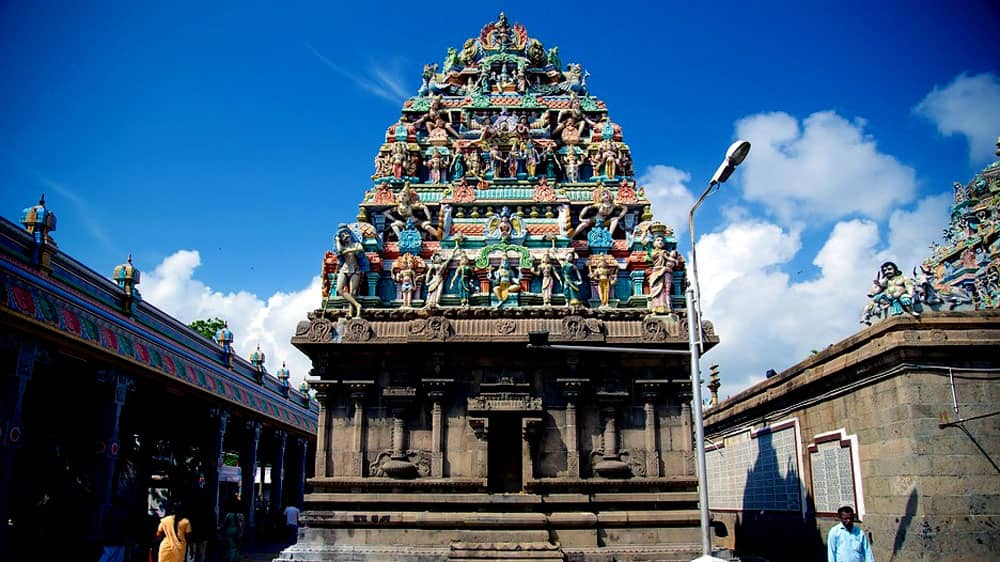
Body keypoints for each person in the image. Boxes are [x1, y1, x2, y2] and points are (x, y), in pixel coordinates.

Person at [98, 497, 130, 562]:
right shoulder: (123, 514)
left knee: (107, 555)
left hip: (110, 540)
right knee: (116, 557)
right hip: (118, 541)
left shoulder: (108, 512)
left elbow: (104, 525)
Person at [220, 496, 245, 562]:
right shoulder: (241, 515)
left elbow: (225, 523)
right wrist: (241, 533)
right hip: (237, 530)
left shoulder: (228, 514)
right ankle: (234, 558)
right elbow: (242, 525)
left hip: (228, 530)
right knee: (236, 546)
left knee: (230, 545)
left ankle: (229, 557)